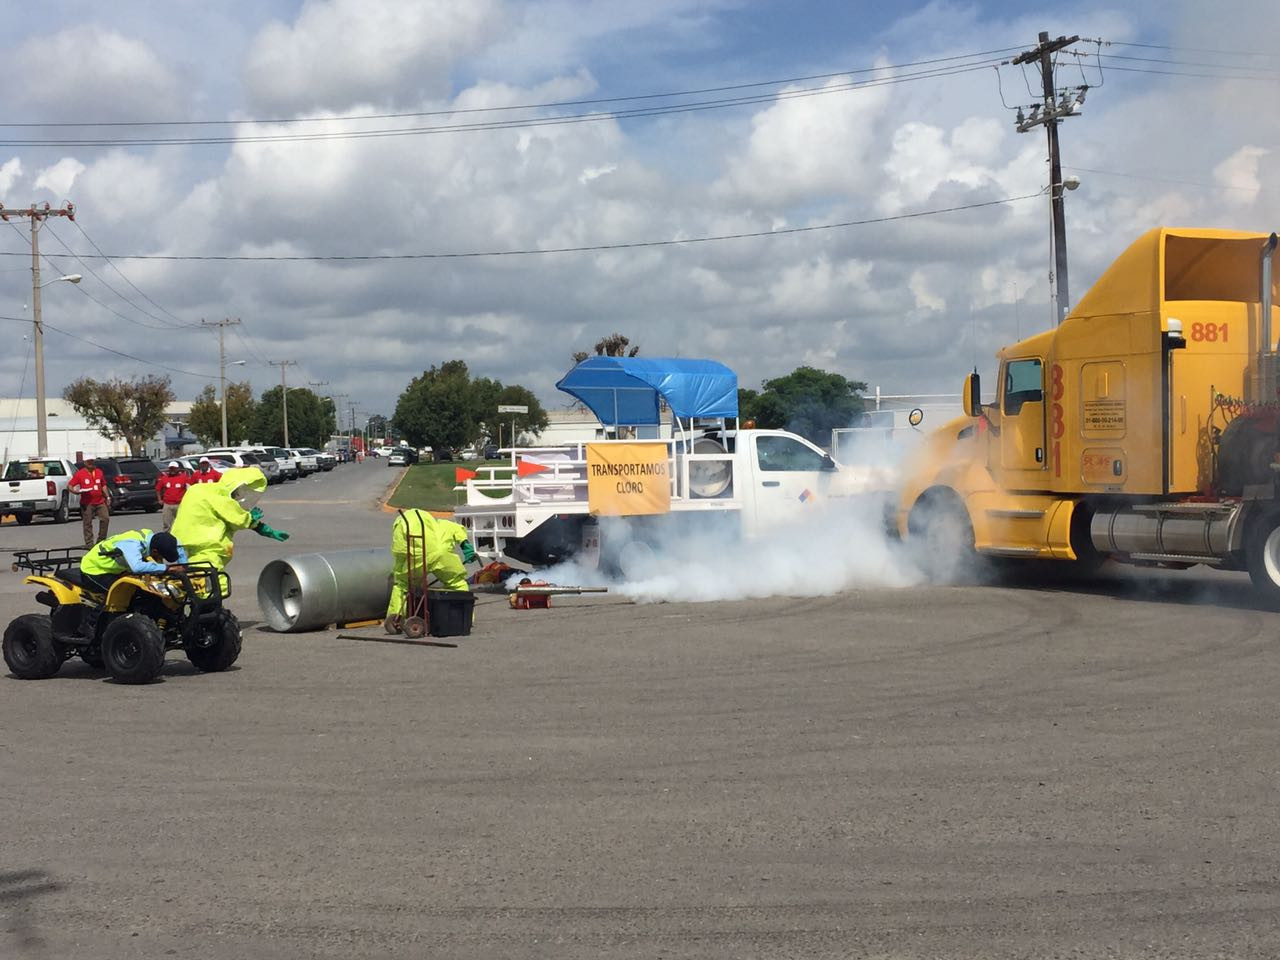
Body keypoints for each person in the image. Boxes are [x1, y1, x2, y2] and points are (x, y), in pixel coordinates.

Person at [170, 466, 288, 571]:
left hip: (187, 543)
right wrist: (256, 522)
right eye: (239, 492)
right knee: (212, 585)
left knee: (193, 580)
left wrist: (260, 527)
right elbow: (239, 519)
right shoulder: (220, 496)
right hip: (207, 548)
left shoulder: (200, 489)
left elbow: (228, 520)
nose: (238, 496)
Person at [385, 508, 477, 631]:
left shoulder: (402, 524)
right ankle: (465, 617)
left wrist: (400, 571)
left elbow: (400, 551)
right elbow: (459, 532)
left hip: (416, 557)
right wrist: (468, 551)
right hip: (442, 556)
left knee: (402, 586)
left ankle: (396, 617)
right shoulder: (441, 525)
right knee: (457, 583)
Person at [78, 528, 187, 596]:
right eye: (161, 557)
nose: (160, 560)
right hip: (95, 570)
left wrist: (184, 566)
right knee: (119, 595)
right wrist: (167, 568)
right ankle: (91, 625)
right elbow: (137, 567)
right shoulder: (132, 543)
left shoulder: (151, 538)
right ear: (154, 551)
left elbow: (178, 544)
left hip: (115, 570)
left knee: (143, 593)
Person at [68, 455, 109, 549]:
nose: (91, 463)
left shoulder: (99, 472)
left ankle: (101, 541)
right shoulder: (80, 474)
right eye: (89, 462)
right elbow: (70, 485)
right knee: (87, 523)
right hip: (87, 503)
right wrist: (75, 491)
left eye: (92, 461)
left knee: (105, 519)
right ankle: (89, 543)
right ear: (85, 463)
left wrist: (107, 497)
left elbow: (103, 485)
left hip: (100, 501)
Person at [155, 460, 192, 532]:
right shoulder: (165, 478)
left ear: (178, 469)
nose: (172, 470)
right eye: (171, 468)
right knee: (166, 523)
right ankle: (167, 537)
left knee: (181, 523)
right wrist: (159, 499)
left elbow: (189, 489)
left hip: (180, 504)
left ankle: (181, 537)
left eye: (174, 468)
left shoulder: (184, 478)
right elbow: (158, 489)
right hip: (167, 504)